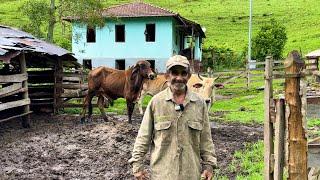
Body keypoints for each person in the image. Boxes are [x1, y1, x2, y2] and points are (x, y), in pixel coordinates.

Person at [129, 55, 217, 180]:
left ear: (189, 75)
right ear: (167, 75)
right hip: (162, 174)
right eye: (174, 73)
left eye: (183, 73)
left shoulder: (199, 104)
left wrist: (209, 165)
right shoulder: (156, 103)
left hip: (191, 174)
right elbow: (143, 137)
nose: (179, 78)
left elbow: (206, 139)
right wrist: (137, 165)